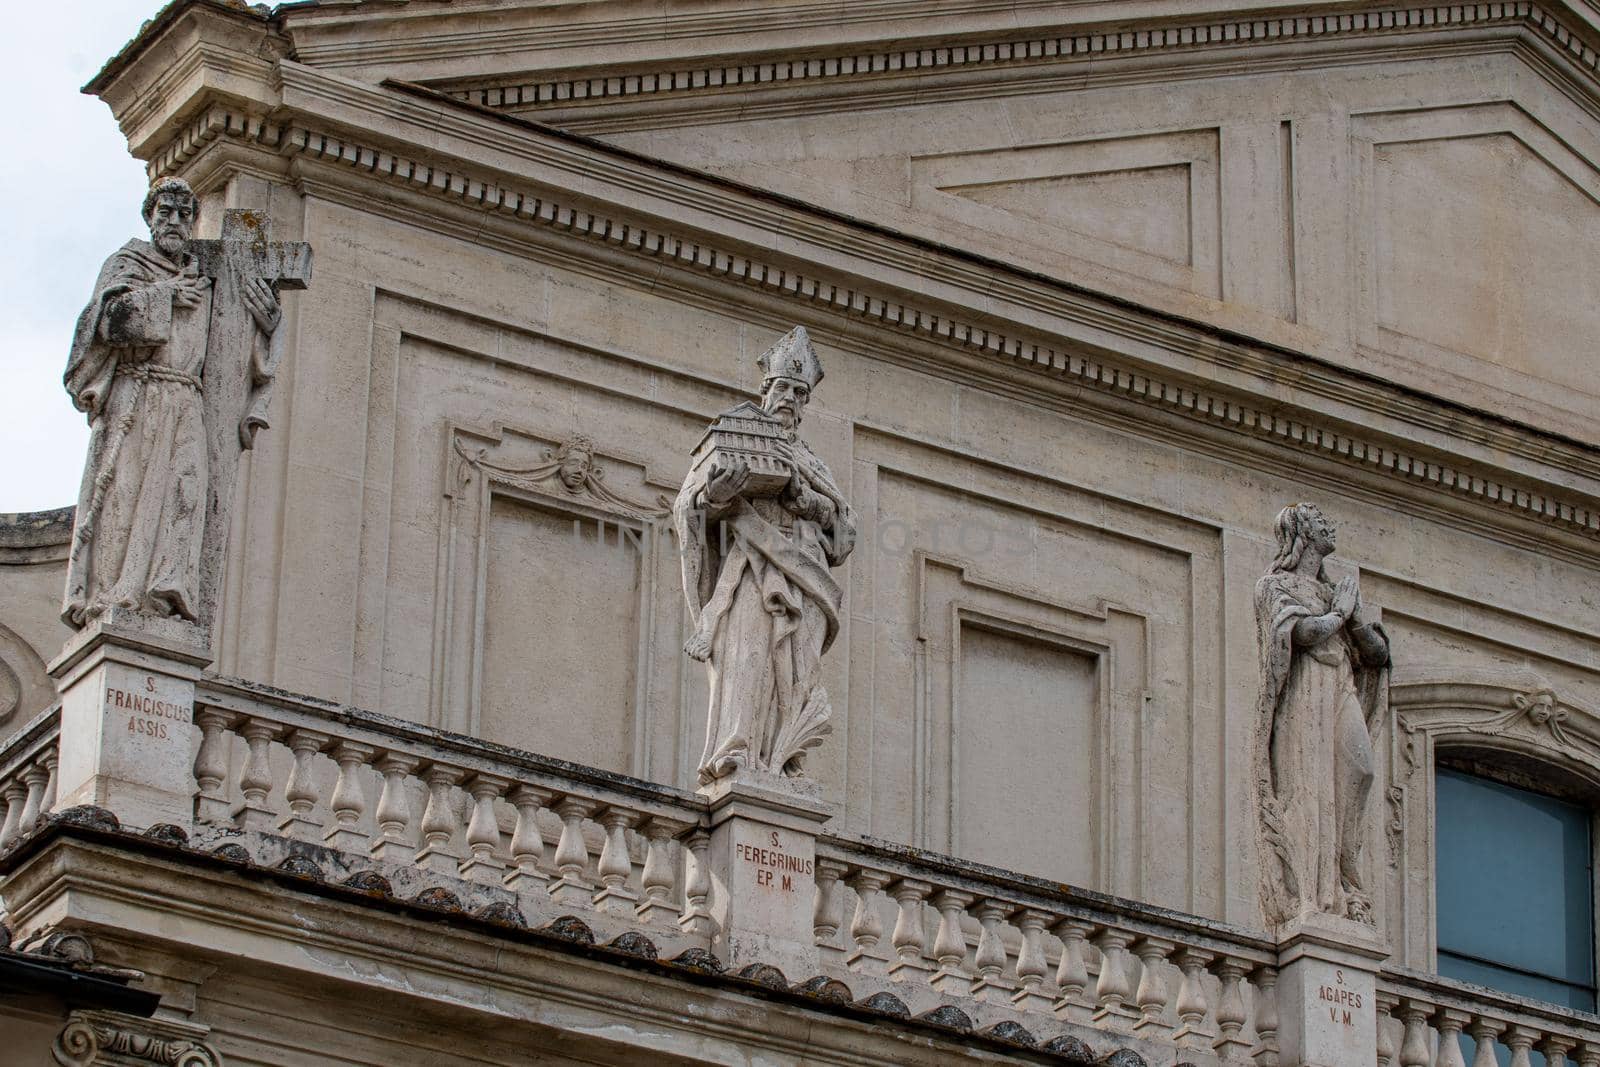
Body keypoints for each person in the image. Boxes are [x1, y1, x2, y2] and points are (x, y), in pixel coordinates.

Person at [62, 178, 280, 626]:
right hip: (138, 395)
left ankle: (165, 594)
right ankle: (114, 593)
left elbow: (235, 343)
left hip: (187, 400)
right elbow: (103, 325)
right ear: (150, 217)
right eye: (166, 212)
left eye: (185, 213)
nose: (176, 222)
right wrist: (164, 297)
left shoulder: (209, 272)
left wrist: (269, 323)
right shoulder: (128, 263)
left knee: (185, 490)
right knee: (126, 495)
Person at [674, 327, 857, 785]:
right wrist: (717, 497)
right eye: (782, 389)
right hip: (752, 568)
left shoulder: (812, 462)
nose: (790, 399)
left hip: (807, 574)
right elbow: (689, 506)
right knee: (747, 655)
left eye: (799, 393)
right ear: (766, 391)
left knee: (797, 672)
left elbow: (844, 530)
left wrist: (805, 500)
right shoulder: (737, 436)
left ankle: (784, 759)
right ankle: (737, 751)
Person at [1254, 503, 1391, 925]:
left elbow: (1378, 654)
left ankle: (1345, 874)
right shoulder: (1275, 586)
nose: (1328, 522)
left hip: (1340, 685)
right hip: (1306, 691)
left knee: (1361, 768)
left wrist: (1355, 621)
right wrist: (1339, 615)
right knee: (1312, 787)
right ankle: (1315, 890)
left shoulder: (1335, 592)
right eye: (1316, 517)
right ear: (1299, 532)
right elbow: (1304, 633)